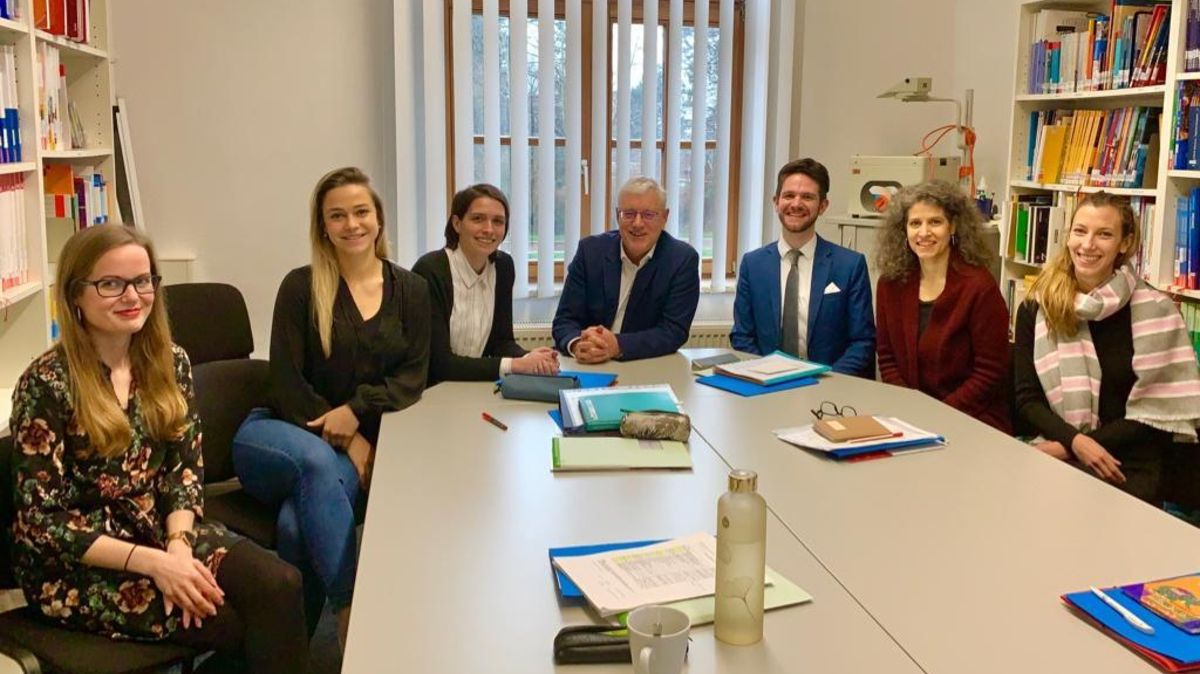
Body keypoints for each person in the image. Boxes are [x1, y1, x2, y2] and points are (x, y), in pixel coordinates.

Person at [9, 224, 307, 673]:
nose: (132, 296)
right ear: (75, 296)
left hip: (161, 533)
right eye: (111, 284)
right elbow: (41, 524)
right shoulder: (47, 384)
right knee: (226, 618)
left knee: (280, 586)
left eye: (143, 280)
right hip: (79, 567)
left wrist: (179, 550)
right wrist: (155, 565)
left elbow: (184, 471)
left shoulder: (170, 361)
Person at [231, 167, 430, 647]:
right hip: (277, 434)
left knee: (294, 526)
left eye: (361, 212)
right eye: (336, 216)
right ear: (323, 227)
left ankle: (286, 650)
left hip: (342, 449)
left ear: (378, 219)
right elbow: (284, 381)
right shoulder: (300, 287)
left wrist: (356, 412)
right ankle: (350, 611)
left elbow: (412, 376)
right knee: (317, 461)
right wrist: (347, 434)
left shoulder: (410, 290)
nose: (351, 224)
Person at [1014, 192, 1200, 502]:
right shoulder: (1038, 306)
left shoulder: (1156, 310)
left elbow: (1158, 415)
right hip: (1055, 448)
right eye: (1080, 231)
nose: (1087, 245)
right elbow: (1026, 398)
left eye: (1104, 234)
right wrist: (1074, 443)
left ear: (1125, 243)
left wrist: (1075, 445)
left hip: (1127, 463)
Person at [873, 181, 1011, 432]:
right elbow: (887, 357)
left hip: (971, 419)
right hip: (909, 417)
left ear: (953, 226)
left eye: (935, 222)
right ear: (903, 229)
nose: (924, 232)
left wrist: (936, 415)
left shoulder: (979, 287)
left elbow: (990, 372)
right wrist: (911, 409)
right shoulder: (890, 284)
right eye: (915, 223)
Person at [731, 158, 876, 378]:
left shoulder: (850, 265)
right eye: (788, 195)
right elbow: (742, 336)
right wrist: (765, 376)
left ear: (823, 206)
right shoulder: (753, 265)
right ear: (776, 201)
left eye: (807, 197)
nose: (796, 204)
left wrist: (827, 382)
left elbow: (862, 341)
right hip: (767, 388)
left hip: (831, 389)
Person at [412, 183, 559, 384]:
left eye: (498, 221)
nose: (489, 229)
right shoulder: (431, 270)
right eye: (478, 219)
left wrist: (531, 358)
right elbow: (439, 363)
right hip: (431, 391)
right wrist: (515, 365)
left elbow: (501, 342)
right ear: (457, 223)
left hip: (475, 386)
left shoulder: (503, 267)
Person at [552, 176, 700, 363]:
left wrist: (617, 345)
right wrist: (576, 344)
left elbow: (673, 331)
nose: (637, 223)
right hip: (588, 365)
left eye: (648, 215)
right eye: (628, 214)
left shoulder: (682, 260)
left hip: (644, 365)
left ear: (664, 217)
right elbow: (565, 320)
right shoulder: (590, 252)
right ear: (617, 215)